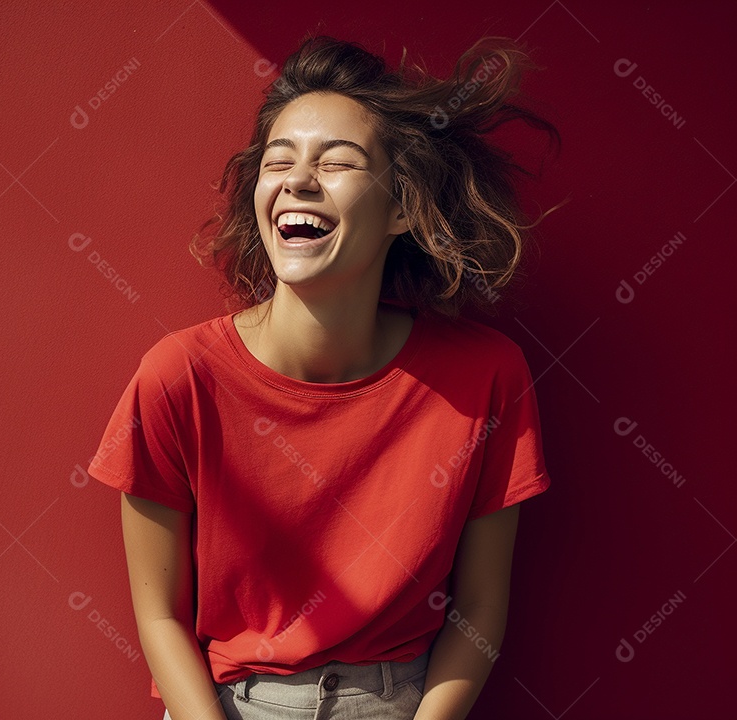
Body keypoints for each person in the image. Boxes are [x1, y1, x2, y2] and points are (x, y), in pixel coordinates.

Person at [87, 32, 564, 720]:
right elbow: (160, 617)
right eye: (278, 162)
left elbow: (481, 609)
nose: (297, 181)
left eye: (336, 162)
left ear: (403, 207)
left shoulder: (485, 376)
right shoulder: (179, 378)